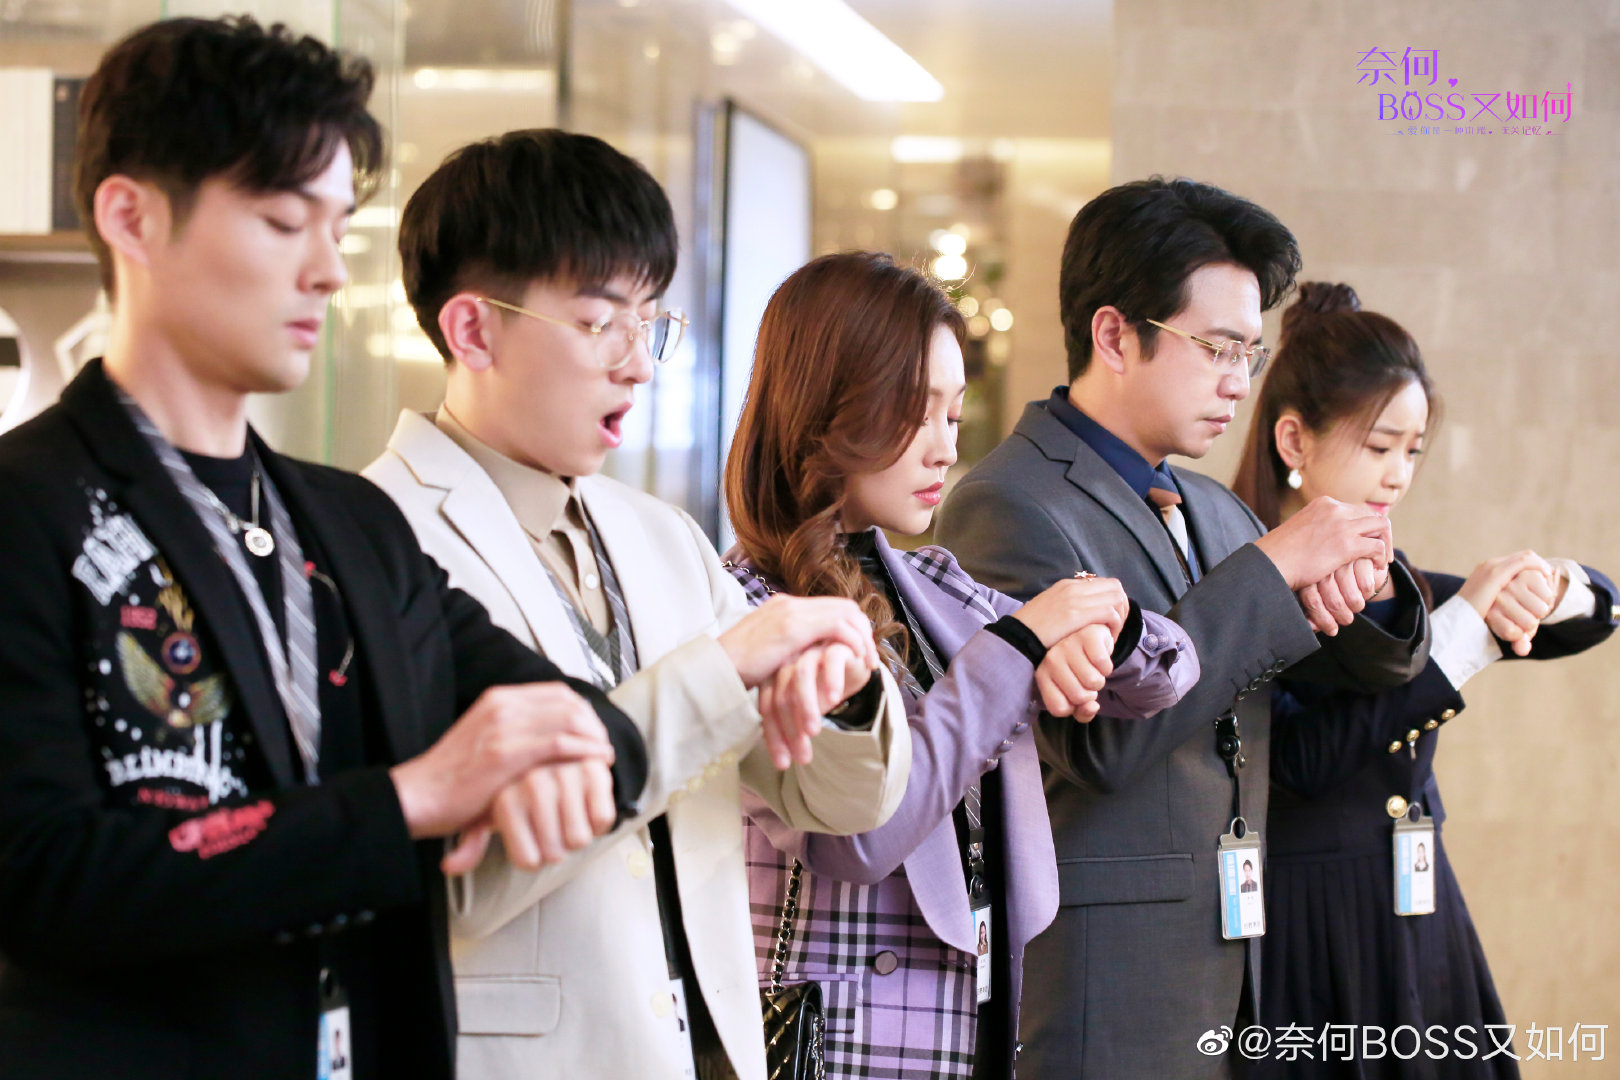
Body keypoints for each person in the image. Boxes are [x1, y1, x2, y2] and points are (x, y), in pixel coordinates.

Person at [0, 19, 650, 1080]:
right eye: (282, 221)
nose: (328, 273)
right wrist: (408, 802)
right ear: (132, 217)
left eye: (339, 228)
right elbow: (43, 877)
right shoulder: (29, 507)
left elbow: (593, 725)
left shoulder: (352, 528)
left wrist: (568, 752)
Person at [364, 130, 912, 1080]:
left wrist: (846, 692)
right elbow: (461, 874)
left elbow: (832, 802)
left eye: (651, 323)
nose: (639, 365)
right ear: (472, 331)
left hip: (713, 1045)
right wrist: (720, 673)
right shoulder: (379, 538)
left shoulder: (660, 535)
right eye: (597, 323)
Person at [935, 177, 1430, 1078]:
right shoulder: (1008, 504)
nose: (1240, 381)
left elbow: (1324, 672)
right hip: (1104, 981)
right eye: (1218, 348)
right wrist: (1273, 570)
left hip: (1234, 960)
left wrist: (1368, 577)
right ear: (1115, 335)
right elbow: (1097, 748)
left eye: (1251, 352)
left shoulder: (1214, 507)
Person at [723, 251, 1200, 1079]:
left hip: (972, 1016)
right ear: (829, 408)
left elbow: (1170, 673)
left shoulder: (934, 583)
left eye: (954, 413)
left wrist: (1103, 629)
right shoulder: (743, 613)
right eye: (918, 413)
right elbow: (859, 837)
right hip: (834, 1045)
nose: (946, 447)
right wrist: (1019, 650)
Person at [1230, 281, 1618, 1079]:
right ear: (1293, 440)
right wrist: (1460, 638)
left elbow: (1598, 615)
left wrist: (1555, 586)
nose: (1398, 476)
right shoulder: (1244, 585)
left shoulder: (1398, 587)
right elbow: (1296, 763)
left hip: (1416, 909)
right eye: (1379, 448)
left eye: (1412, 451)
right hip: (1314, 927)